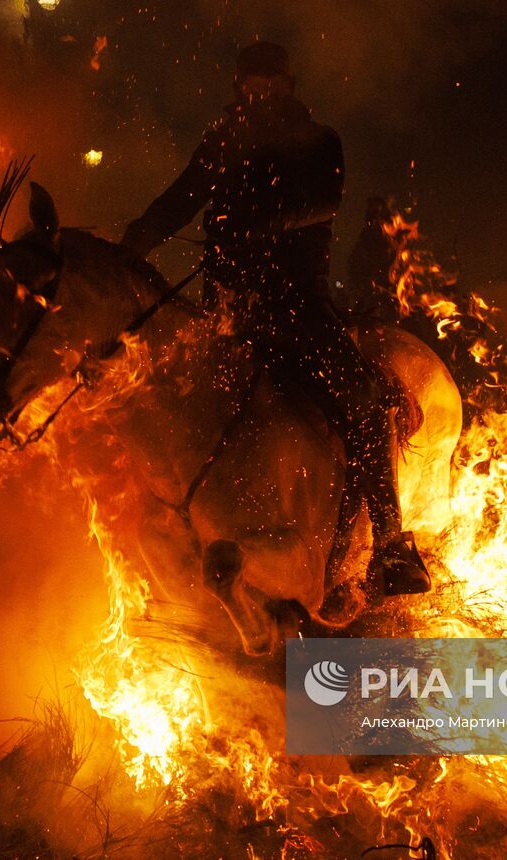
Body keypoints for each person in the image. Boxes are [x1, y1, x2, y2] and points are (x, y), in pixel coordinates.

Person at [119, 42, 431, 595]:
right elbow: (180, 199)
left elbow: (321, 203)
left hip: (297, 303)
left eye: (271, 84)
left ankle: (390, 545)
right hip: (227, 307)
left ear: (289, 85)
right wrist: (135, 242)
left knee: (362, 399)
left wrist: (251, 225)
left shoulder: (318, 142)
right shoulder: (223, 141)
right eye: (251, 85)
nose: (260, 94)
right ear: (239, 86)